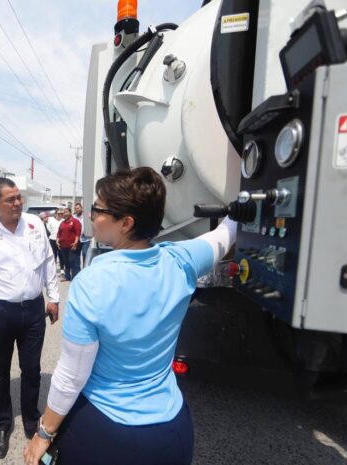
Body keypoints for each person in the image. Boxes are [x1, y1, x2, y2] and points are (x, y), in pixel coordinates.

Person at [23, 167, 237, 465]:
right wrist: (242, 205)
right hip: (172, 430)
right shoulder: (181, 259)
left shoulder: (92, 282)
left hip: (108, 434)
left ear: (126, 223)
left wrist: (43, 433)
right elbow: (223, 237)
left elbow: (71, 376)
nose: (89, 215)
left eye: (97, 209)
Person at [0, 177, 60, 459]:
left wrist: (53, 296)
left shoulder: (34, 224)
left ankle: (32, 423)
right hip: (1, 311)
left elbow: (47, 261)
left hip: (33, 309)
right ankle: (3, 424)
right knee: (0, 369)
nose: (18, 203)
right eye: (10, 199)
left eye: (19, 198)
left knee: (32, 369)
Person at [56, 207, 81, 282]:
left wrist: (76, 242)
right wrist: (57, 241)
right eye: (64, 212)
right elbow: (59, 233)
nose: (65, 214)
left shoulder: (75, 221)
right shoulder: (62, 223)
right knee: (66, 262)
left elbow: (78, 233)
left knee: (74, 262)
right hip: (63, 246)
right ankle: (67, 276)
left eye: (66, 212)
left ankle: (76, 278)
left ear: (70, 213)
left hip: (72, 246)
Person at [73, 202, 90, 269]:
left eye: (78, 208)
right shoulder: (74, 217)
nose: (77, 210)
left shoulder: (86, 216)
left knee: (85, 254)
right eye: (75, 208)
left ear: (81, 208)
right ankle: (77, 270)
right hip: (77, 239)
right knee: (76, 255)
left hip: (85, 239)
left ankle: (84, 269)